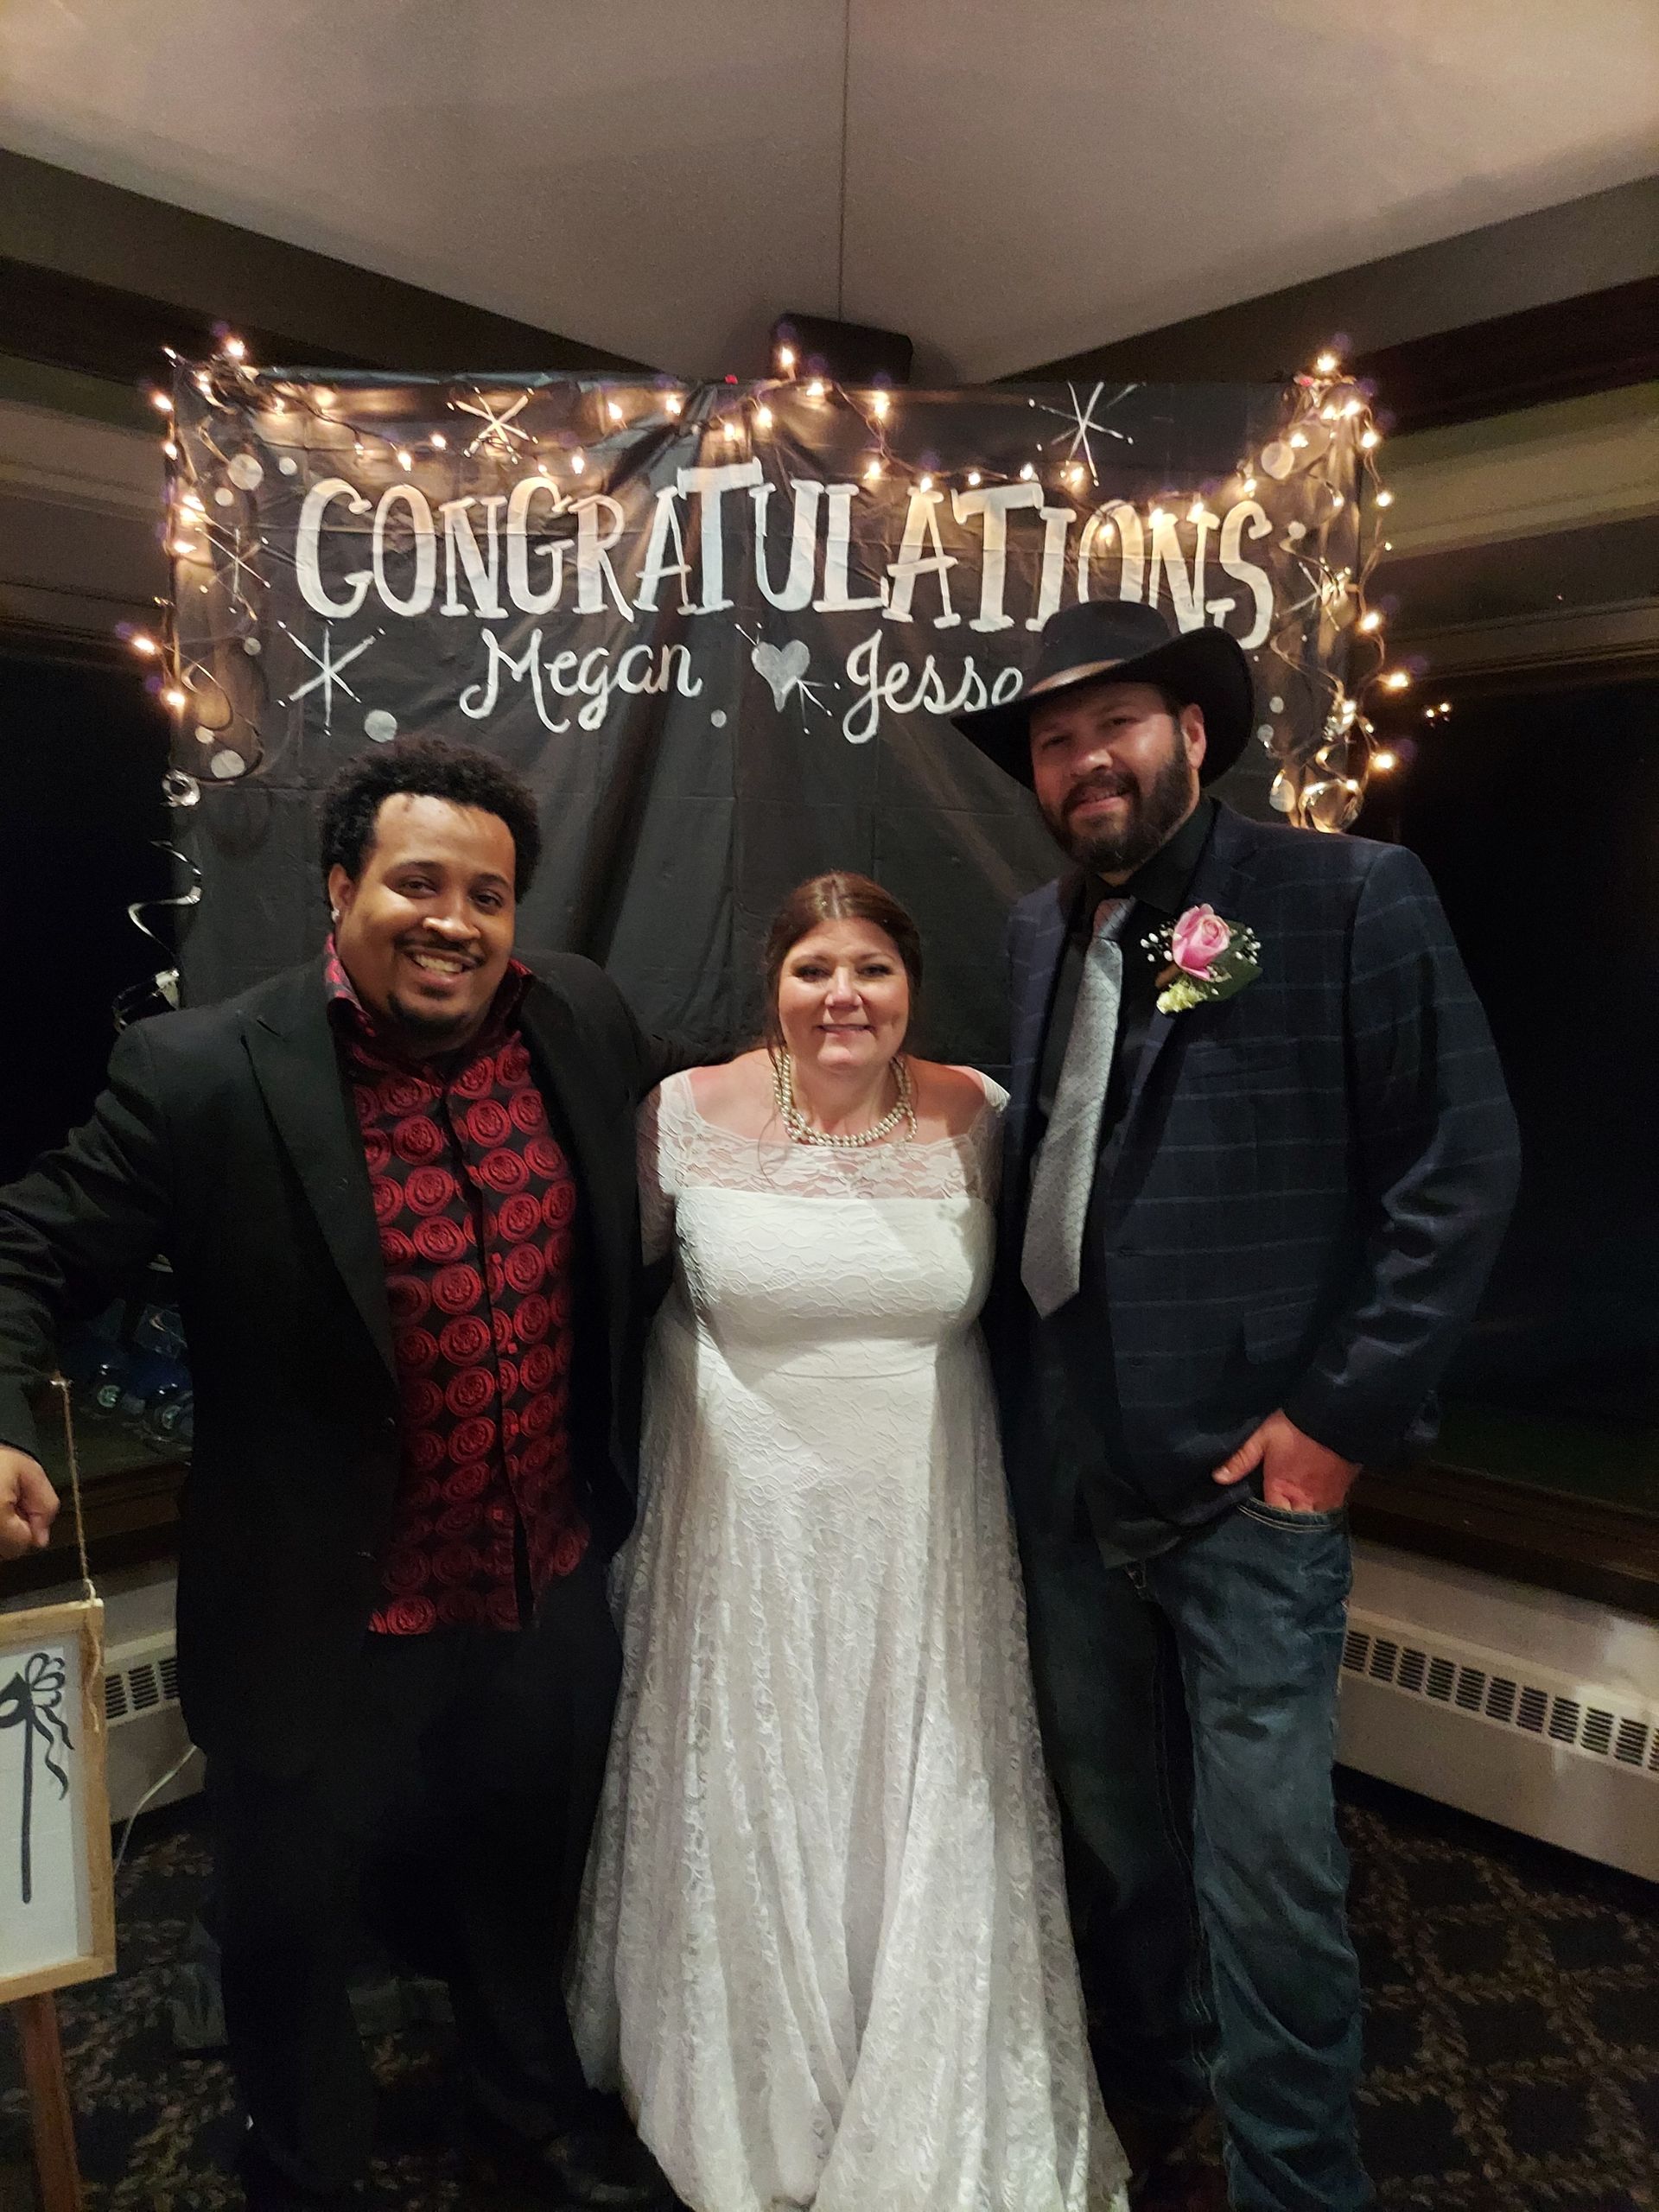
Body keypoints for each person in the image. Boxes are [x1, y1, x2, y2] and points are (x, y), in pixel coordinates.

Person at [0, 738, 677, 2211]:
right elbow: (25, 1245)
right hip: (322, 1610)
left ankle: (528, 2114)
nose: (454, 922)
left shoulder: (584, 1019)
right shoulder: (201, 1072)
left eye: (486, 895)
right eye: (417, 884)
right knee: (292, 1933)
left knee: (518, 1886)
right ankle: (307, 2173)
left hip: (536, 1582)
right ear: (338, 890)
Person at [950, 601, 1521, 2212]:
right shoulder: (1032, 932)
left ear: (1193, 733)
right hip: (1065, 1467)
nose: (1083, 762)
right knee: (1119, 1831)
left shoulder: (1345, 894)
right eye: (1053, 742)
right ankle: (1165, 2084)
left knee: (1266, 1868)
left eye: (1112, 724)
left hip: (1253, 1485)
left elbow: (1458, 1171)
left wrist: (1331, 1429)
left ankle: (1296, 2180)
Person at [569, 873, 1129, 2212]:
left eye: (871, 967)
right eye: (815, 967)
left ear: (910, 986)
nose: (843, 996)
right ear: (774, 982)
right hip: (738, 1516)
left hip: (925, 1510)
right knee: (756, 1769)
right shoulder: (683, 1117)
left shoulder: (978, 1118)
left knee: (909, 1778)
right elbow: (618, 1278)